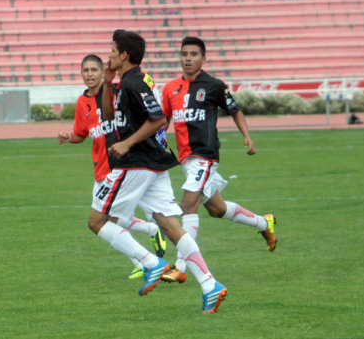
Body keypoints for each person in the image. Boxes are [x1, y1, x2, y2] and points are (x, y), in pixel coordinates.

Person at [93, 29, 227, 313]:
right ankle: (210, 284)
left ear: (124, 55)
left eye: (113, 50)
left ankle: (151, 263)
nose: (110, 54)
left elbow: (157, 120)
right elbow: (107, 116)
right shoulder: (128, 81)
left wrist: (127, 144)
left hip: (136, 164)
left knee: (98, 221)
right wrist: (107, 84)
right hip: (154, 164)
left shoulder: (135, 83)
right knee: (170, 226)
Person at [160, 36, 277, 283]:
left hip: (205, 156)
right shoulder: (170, 88)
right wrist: (157, 141)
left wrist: (247, 137)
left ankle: (181, 267)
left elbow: (235, 110)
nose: (188, 59)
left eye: (193, 54)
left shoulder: (214, 85)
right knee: (217, 209)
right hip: (186, 160)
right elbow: (163, 120)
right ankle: (264, 223)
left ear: (204, 58)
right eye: (184, 54)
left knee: (188, 206)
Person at [58, 54, 167, 280]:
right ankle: (150, 238)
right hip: (101, 168)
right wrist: (70, 137)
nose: (89, 74)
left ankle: (145, 261)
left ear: (101, 72)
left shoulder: (117, 93)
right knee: (110, 220)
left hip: (120, 166)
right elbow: (82, 134)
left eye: (93, 70)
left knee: (105, 221)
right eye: (85, 70)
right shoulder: (82, 103)